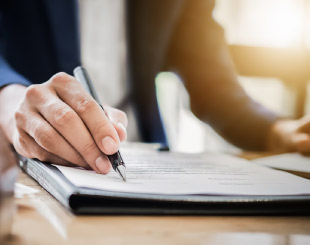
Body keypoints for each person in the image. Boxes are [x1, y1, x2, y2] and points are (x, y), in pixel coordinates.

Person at [0, 0, 309, 176]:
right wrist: (10, 96)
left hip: (145, 168)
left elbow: (213, 84)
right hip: (26, 168)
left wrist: (280, 131)